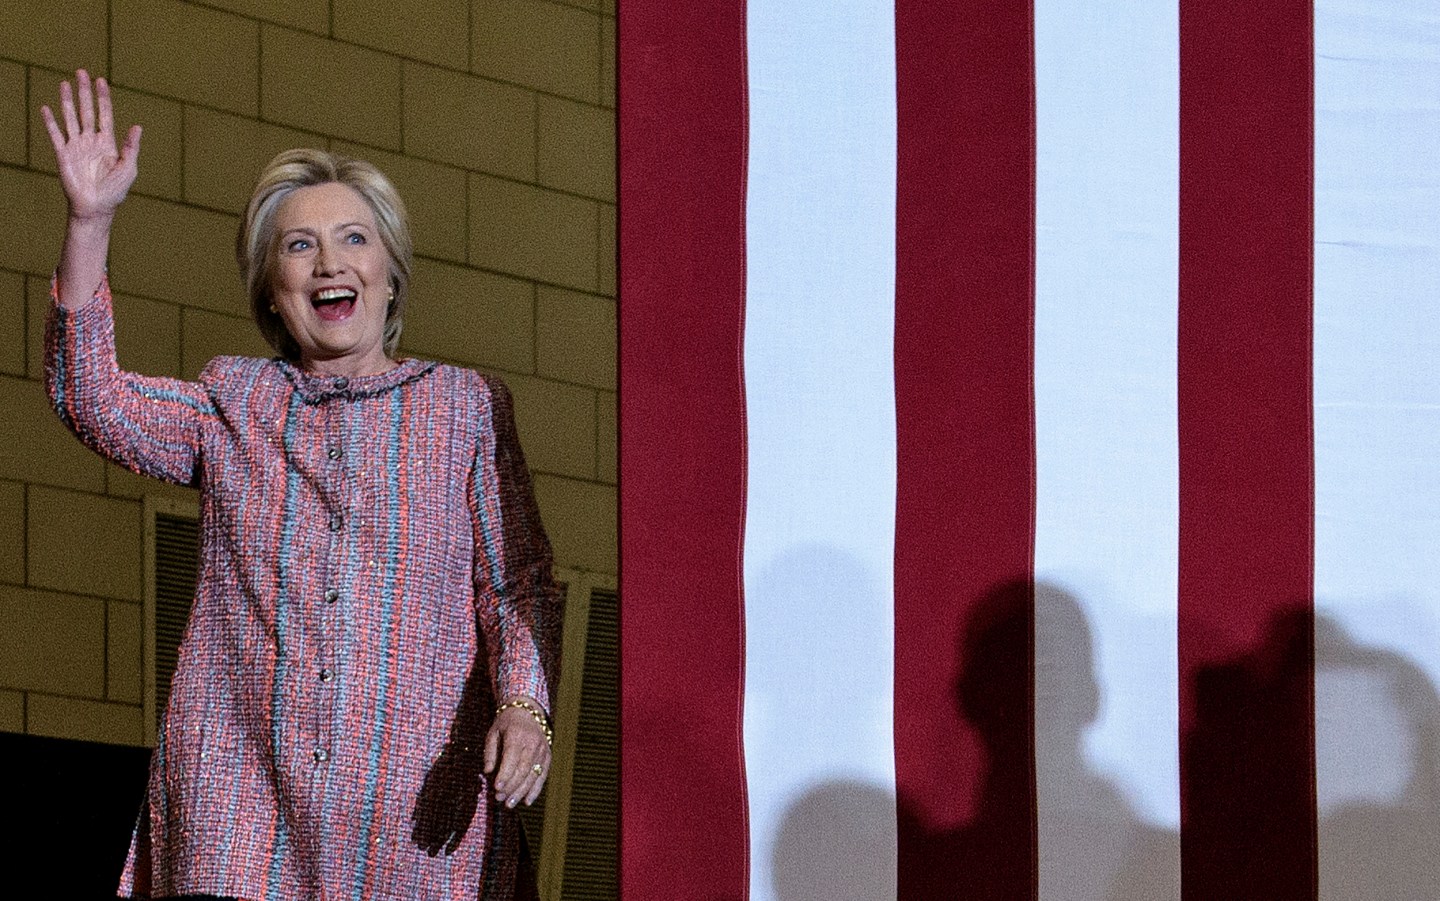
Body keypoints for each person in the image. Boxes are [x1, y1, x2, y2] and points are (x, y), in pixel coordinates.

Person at [41, 69, 561, 900]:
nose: (329, 262)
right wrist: (90, 222)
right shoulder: (233, 399)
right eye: (298, 245)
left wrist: (525, 707)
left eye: (354, 238)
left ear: (390, 271)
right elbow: (92, 399)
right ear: (273, 293)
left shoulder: (466, 408)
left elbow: (517, 584)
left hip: (413, 816)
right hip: (239, 805)